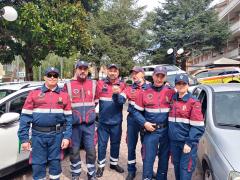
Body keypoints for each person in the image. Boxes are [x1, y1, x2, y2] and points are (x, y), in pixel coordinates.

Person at [18, 67, 72, 180]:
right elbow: (25, 118)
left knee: (55, 164)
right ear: (44, 77)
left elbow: (69, 119)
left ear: (58, 78)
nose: (52, 77)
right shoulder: (34, 93)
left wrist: (67, 137)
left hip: (57, 136)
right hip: (38, 136)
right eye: (49, 75)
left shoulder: (65, 96)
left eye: (55, 75)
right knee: (37, 165)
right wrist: (24, 139)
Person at [132, 66, 175, 180]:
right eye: (157, 75)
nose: (159, 79)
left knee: (164, 158)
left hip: (166, 131)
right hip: (151, 131)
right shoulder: (144, 92)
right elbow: (135, 112)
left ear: (165, 77)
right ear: (153, 76)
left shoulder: (171, 92)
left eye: (162, 76)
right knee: (148, 158)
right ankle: (147, 177)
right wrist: (144, 123)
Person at [112, 66, 148, 180]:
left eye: (136, 73)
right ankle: (131, 170)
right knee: (131, 146)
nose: (134, 75)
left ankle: (147, 169)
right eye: (133, 73)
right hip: (132, 120)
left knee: (146, 146)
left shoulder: (150, 87)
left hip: (146, 120)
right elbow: (121, 100)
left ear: (142, 74)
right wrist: (117, 94)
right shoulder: (129, 88)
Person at [63, 60, 97, 180]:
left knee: (91, 151)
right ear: (76, 70)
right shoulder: (68, 85)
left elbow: (96, 101)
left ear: (87, 70)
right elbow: (64, 105)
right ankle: (76, 174)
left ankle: (91, 174)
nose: (82, 71)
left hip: (89, 125)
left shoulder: (93, 84)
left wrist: (90, 115)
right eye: (80, 68)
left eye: (85, 69)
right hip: (74, 125)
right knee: (74, 151)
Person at [168, 74, 205, 180]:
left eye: (184, 83)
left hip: (186, 144)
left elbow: (198, 126)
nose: (181, 86)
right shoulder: (172, 100)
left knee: (185, 172)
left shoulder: (193, 102)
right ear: (175, 85)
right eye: (178, 84)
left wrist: (189, 142)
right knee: (177, 169)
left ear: (188, 85)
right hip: (174, 143)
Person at [95, 64, 126, 177]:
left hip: (116, 122)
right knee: (102, 145)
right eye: (110, 70)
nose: (112, 73)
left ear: (118, 72)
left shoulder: (122, 85)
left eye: (115, 71)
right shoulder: (100, 84)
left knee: (115, 144)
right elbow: (94, 100)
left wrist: (117, 94)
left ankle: (113, 164)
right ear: (107, 72)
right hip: (103, 122)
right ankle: (101, 166)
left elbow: (122, 101)